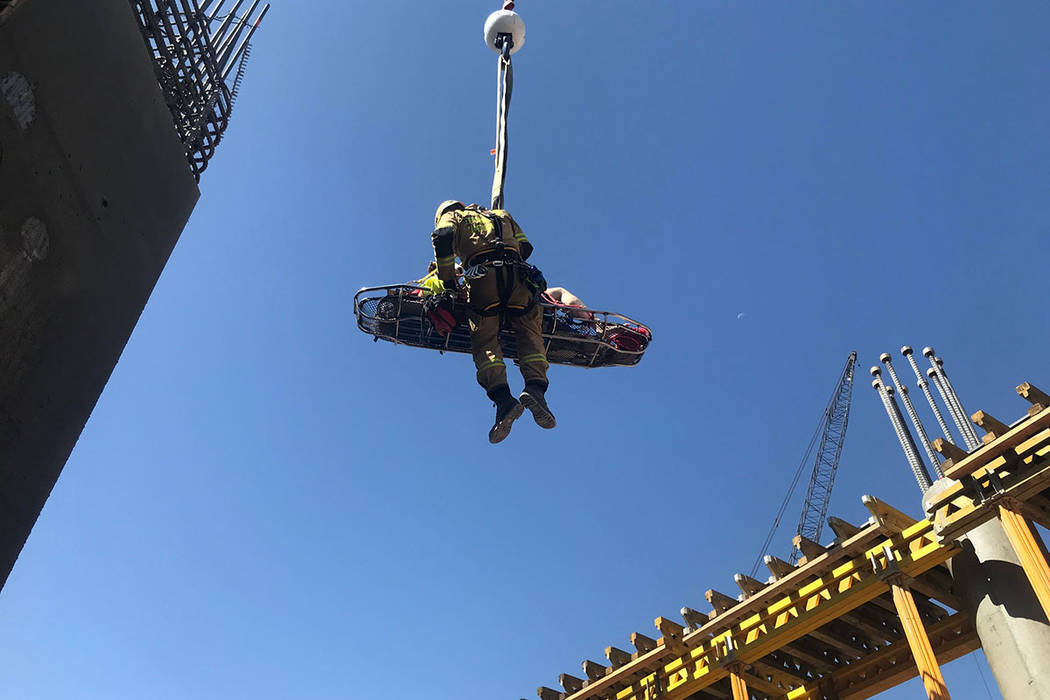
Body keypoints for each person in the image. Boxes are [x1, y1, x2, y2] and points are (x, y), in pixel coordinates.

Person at [431, 200, 555, 443]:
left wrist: (448, 282)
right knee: (530, 330)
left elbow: (443, 235)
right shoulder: (501, 213)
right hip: (520, 278)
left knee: (485, 339)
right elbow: (525, 247)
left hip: (483, 279)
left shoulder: (453, 217)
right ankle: (536, 389)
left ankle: (503, 400)